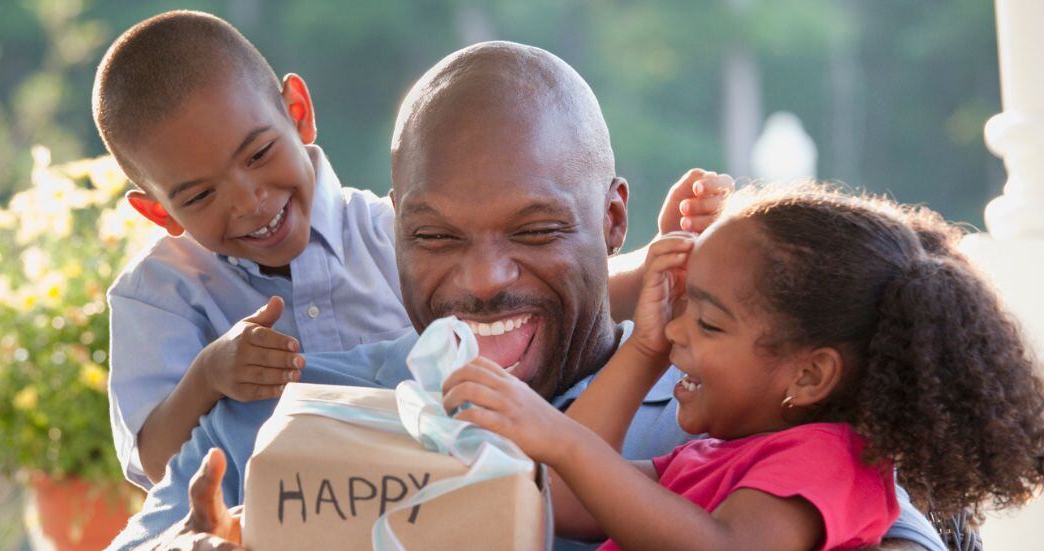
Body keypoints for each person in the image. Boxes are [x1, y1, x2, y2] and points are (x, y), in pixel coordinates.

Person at [22, 43, 980, 551]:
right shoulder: (282, 421)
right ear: (392, 230)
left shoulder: (735, 413)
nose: (482, 280)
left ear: (613, 222)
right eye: (435, 236)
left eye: (533, 232)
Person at [435, 187, 1044, 551]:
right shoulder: (712, 458)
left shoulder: (828, 460)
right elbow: (568, 497)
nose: (677, 331)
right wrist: (644, 347)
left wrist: (561, 436)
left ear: (808, 377)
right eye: (683, 311)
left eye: (710, 324)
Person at [95, 11, 729, 490]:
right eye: (201, 195)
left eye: (259, 155)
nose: (250, 201)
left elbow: (562, 294)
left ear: (299, 112)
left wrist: (674, 256)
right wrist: (209, 379)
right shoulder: (164, 294)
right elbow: (157, 468)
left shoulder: (383, 230)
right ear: (158, 212)